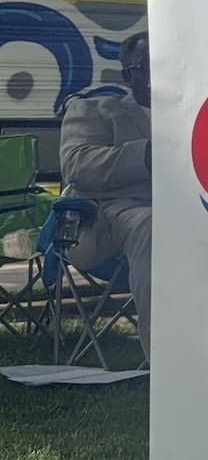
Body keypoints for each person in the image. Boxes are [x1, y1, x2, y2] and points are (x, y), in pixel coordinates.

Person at [58, 30, 153, 360]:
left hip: (186, 214)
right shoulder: (95, 109)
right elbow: (76, 164)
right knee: (153, 225)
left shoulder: (195, 115)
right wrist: (145, 155)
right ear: (129, 73)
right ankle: (167, 362)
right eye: (151, 65)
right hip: (105, 217)